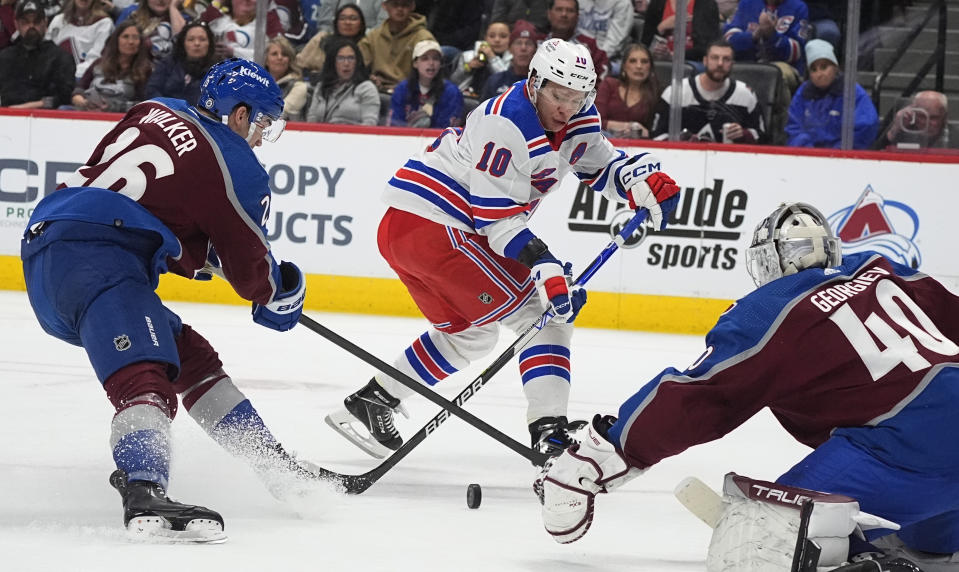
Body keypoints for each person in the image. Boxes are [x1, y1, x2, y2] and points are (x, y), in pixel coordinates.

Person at [536, 200, 959, 572]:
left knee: (759, 537)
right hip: (937, 461)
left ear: (772, 261)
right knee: (928, 545)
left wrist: (601, 454)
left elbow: (702, 394)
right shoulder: (882, 268)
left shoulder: (773, 309)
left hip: (907, 447)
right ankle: (940, 544)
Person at [324, 38, 681, 460]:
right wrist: (544, 266)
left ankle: (375, 399)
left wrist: (637, 185)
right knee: (543, 316)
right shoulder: (507, 122)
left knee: (471, 335)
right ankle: (550, 434)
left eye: (576, 96)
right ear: (534, 82)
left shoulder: (579, 116)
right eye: (557, 95)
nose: (566, 107)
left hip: (410, 231)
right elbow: (496, 220)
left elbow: (600, 164)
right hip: (439, 228)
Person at [20, 58, 316, 541]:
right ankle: (144, 491)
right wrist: (279, 293)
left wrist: (183, 249)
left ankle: (276, 469)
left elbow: (138, 191)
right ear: (239, 115)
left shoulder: (156, 107)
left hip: (49, 246)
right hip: (100, 256)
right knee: (145, 378)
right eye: (262, 122)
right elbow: (253, 277)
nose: (261, 137)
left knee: (190, 357)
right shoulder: (237, 165)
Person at [651, 39, 766, 143]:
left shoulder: (746, 95)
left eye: (726, 59)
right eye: (715, 58)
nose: (720, 63)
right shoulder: (676, 92)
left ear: (732, 64)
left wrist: (744, 134)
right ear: (705, 61)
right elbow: (657, 136)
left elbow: (762, 136)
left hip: (729, 162)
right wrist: (682, 143)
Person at [786, 39, 878, 149]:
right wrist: (809, 151)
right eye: (814, 70)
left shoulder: (852, 92)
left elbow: (865, 128)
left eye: (824, 67)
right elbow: (794, 129)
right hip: (809, 158)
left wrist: (837, 152)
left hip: (845, 159)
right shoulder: (803, 93)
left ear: (835, 67)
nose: (819, 74)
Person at [0, 0, 75, 109]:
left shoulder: (60, 57)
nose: (31, 26)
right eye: (25, 22)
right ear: (16, 24)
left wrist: (30, 106)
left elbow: (65, 95)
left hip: (46, 117)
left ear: (45, 23)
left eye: (36, 22)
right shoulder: (4, 57)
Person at [70, 20, 153, 112]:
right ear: (116, 40)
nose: (130, 42)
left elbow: (143, 104)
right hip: (89, 111)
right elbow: (80, 87)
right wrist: (78, 97)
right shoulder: (98, 63)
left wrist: (114, 107)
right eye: (125, 37)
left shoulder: (145, 70)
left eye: (135, 38)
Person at [358, 0, 435, 92]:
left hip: (409, 93)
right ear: (385, 6)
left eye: (405, 5)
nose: (400, 9)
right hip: (375, 91)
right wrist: (369, 78)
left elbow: (429, 75)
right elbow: (358, 66)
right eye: (395, 4)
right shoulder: (373, 36)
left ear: (412, 6)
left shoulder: (424, 38)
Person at [304, 36, 379, 125]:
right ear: (332, 62)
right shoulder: (321, 87)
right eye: (340, 58)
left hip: (353, 136)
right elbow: (311, 121)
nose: (346, 63)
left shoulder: (366, 88)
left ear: (357, 62)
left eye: (351, 58)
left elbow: (370, 124)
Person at [388, 39, 463, 128]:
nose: (431, 63)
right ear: (415, 63)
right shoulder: (402, 89)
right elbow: (395, 125)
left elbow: (447, 132)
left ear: (440, 63)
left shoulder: (452, 93)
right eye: (425, 58)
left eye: (435, 59)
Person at [144, 19, 219, 106]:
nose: (197, 43)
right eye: (191, 39)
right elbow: (152, 90)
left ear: (209, 44)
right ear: (183, 43)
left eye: (202, 39)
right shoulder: (168, 63)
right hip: (167, 113)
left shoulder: (219, 70)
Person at [595, 43, 658, 139]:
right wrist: (633, 127)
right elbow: (596, 122)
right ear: (624, 66)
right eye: (633, 61)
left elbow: (654, 133)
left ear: (650, 67)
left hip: (640, 146)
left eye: (644, 61)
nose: (639, 66)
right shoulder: (609, 85)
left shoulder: (656, 92)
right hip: (605, 142)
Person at [45, 0, 114, 79]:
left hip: (84, 79)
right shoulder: (58, 20)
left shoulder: (104, 23)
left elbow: (95, 59)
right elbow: (47, 51)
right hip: (53, 76)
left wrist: (70, 72)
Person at [295, 2, 366, 76]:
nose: (347, 22)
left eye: (353, 19)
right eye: (342, 18)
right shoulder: (321, 39)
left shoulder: (367, 45)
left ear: (361, 23)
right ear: (336, 23)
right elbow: (299, 66)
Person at [198, 0, 283, 61]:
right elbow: (194, 32)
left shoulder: (268, 23)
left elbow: (276, 53)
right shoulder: (217, 19)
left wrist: (234, 52)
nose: (247, 0)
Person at [544, 0, 608, 80]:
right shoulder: (536, 42)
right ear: (549, 14)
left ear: (578, 16)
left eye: (570, 11)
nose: (564, 14)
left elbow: (600, 82)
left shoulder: (591, 47)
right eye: (559, 9)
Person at [641, 0, 720, 64]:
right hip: (659, 60)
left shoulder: (707, 4)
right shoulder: (657, 3)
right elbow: (645, 44)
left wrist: (673, 56)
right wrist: (661, 27)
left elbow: (708, 48)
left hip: (693, 61)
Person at [479, 18, 539, 101]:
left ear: (535, 50)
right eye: (518, 43)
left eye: (528, 43)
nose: (523, 48)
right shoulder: (495, 81)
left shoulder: (541, 84)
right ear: (510, 49)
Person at [449, 20, 512, 98]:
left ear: (511, 39)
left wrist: (492, 58)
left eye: (503, 36)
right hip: (465, 98)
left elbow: (507, 82)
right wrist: (467, 68)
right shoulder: (468, 56)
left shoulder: (514, 60)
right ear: (485, 38)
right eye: (492, 36)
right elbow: (452, 83)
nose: (497, 40)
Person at [885, 91, 958, 151]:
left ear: (945, 117)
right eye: (922, 116)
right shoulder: (904, 132)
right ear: (914, 113)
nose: (927, 123)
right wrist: (895, 128)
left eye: (933, 117)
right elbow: (876, 153)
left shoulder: (955, 139)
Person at [116, 0, 187, 60]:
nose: (161, 0)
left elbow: (182, 42)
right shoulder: (131, 12)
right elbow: (114, 43)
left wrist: (173, 7)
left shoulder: (182, 17)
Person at [264, 36, 309, 121]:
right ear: (266, 60)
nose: (280, 57)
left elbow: (278, 114)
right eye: (274, 54)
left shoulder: (299, 87)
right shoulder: (257, 84)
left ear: (289, 60)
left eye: (284, 54)